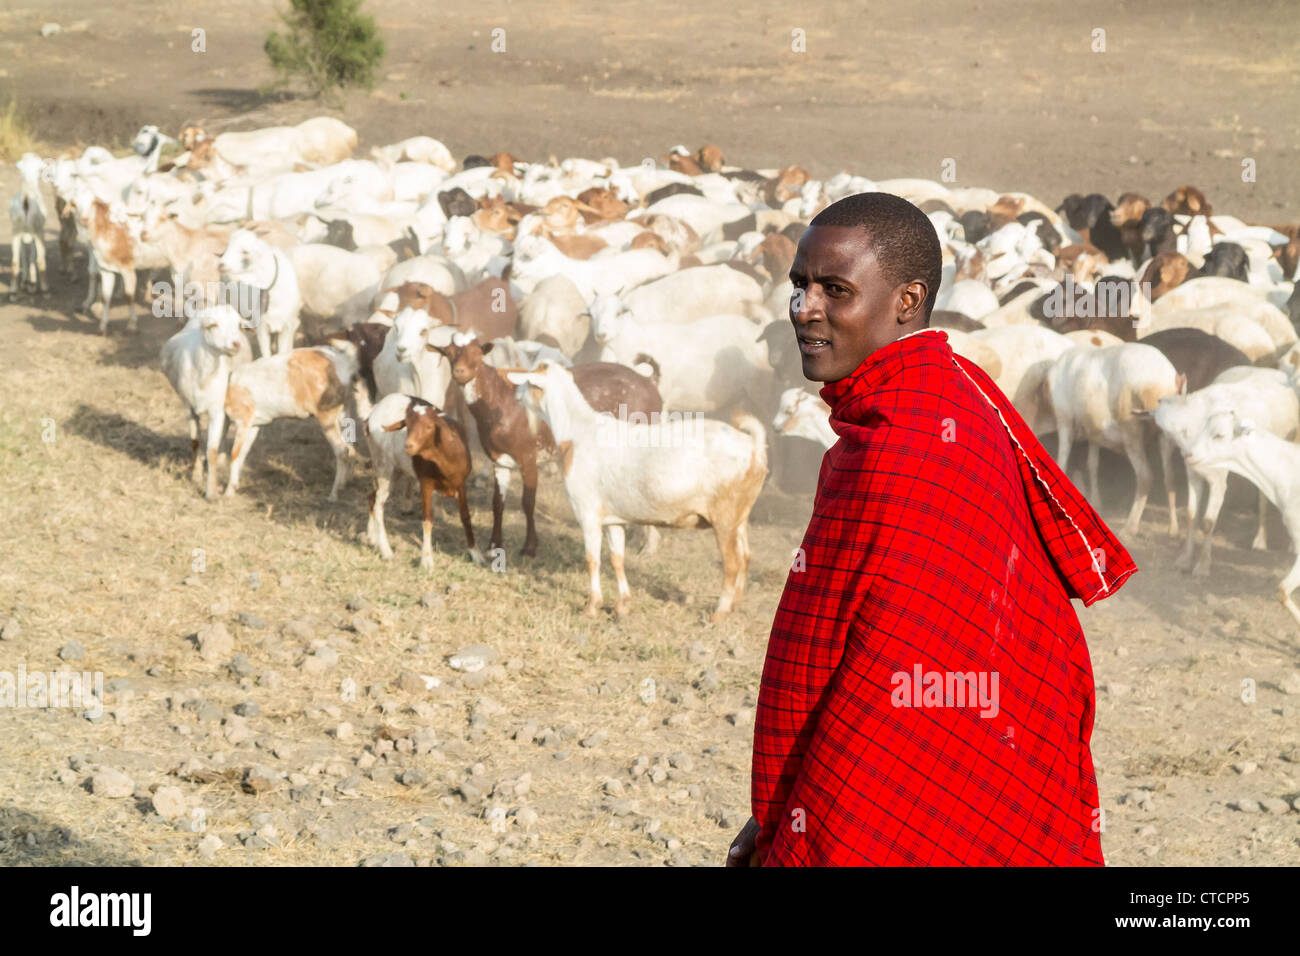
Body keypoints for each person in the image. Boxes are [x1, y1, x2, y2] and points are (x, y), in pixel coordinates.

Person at [728, 192, 1136, 866]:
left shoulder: (902, 447)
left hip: (912, 777)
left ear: (907, 300)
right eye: (799, 287)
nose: (805, 310)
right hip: (987, 759)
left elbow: (864, 682)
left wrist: (797, 825)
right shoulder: (951, 386)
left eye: (836, 290)